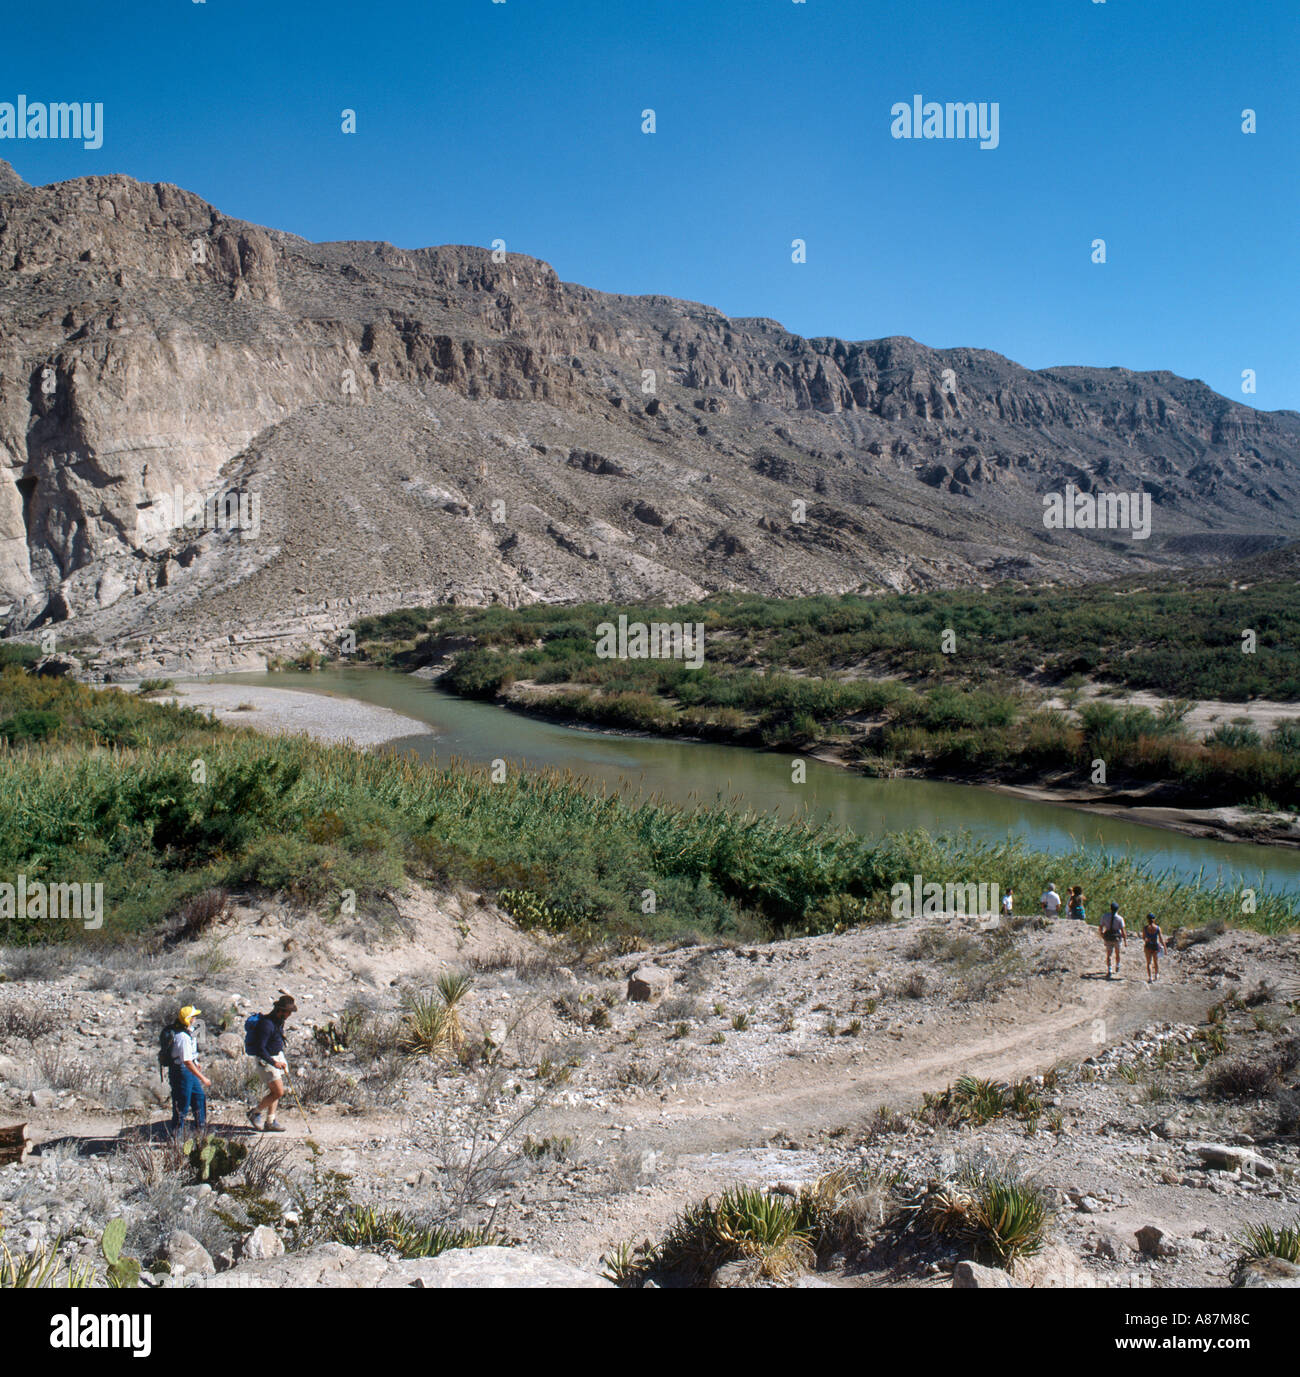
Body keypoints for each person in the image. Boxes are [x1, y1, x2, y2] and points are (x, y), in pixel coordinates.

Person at [246, 995, 297, 1133]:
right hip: (267, 1061)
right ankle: (255, 1112)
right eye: (288, 1012)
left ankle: (270, 1121)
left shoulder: (278, 1021)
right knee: (279, 1092)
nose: (289, 1015)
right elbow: (260, 1049)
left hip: (276, 1057)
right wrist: (274, 1062)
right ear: (280, 1010)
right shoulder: (266, 1024)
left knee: (275, 1092)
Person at [165, 1005, 210, 1138]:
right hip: (182, 1072)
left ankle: (200, 1130)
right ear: (188, 1019)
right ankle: (176, 1135)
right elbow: (187, 1062)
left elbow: (190, 1059)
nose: (195, 1019)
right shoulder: (182, 1037)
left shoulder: (188, 1032)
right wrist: (203, 1078)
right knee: (182, 1104)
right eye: (193, 1017)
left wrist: (196, 1063)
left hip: (188, 1071)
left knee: (199, 1097)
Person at [1100, 903, 1127, 977]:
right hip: (1116, 937)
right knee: (1117, 953)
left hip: (1108, 936)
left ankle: (1109, 969)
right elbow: (1123, 930)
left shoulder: (1105, 916)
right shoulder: (1120, 918)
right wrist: (1125, 941)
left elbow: (1101, 927)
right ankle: (1117, 965)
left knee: (1109, 954)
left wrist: (1102, 934)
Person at [1142, 913, 1166, 983]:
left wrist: (1146, 940)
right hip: (1155, 946)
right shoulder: (1158, 928)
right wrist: (1165, 948)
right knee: (1156, 961)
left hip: (1148, 946)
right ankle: (1156, 974)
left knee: (1149, 962)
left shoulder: (1145, 928)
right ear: (1154, 919)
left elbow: (1143, 937)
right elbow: (1161, 939)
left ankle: (1150, 977)